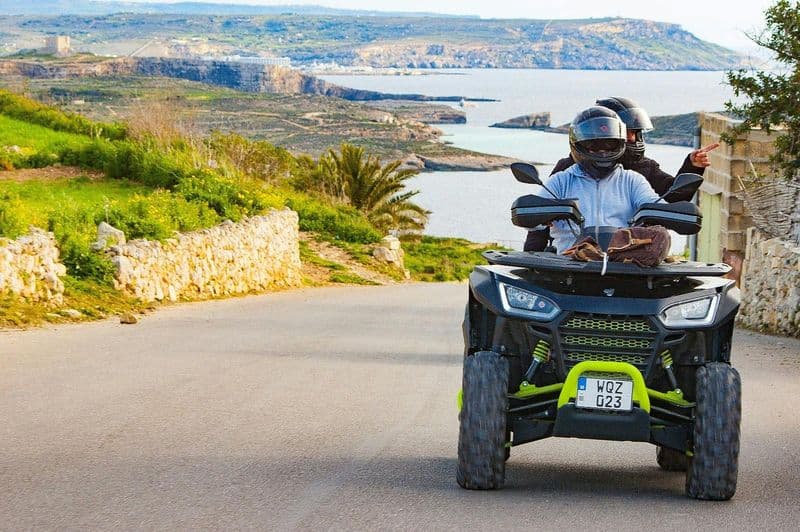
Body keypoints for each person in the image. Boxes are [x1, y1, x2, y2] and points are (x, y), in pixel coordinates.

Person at [525, 96, 718, 251]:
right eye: (629, 132)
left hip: (624, 260)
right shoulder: (565, 175)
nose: (603, 151)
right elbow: (538, 215)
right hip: (569, 260)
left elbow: (670, 198)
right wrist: (530, 260)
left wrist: (691, 167)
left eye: (636, 132)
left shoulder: (636, 177)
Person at [531, 106, 662, 254]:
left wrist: (668, 213)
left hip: (621, 264)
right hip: (568, 264)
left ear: (619, 142)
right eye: (594, 145)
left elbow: (654, 203)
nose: (602, 151)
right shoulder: (561, 181)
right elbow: (531, 222)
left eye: (609, 144)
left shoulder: (633, 181)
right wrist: (538, 214)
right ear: (578, 144)